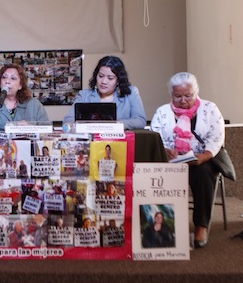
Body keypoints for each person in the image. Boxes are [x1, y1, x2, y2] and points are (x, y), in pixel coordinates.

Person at [150, 72, 225, 249]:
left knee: (205, 173)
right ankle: (166, 226)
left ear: (195, 93)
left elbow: (217, 138)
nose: (183, 100)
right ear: (171, 94)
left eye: (187, 96)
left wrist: (204, 156)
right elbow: (155, 137)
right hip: (171, 162)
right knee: (154, 173)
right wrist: (164, 151)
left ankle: (201, 226)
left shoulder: (210, 109)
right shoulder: (162, 112)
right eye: (178, 96)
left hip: (200, 160)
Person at [63, 56, 146, 130]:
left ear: (118, 80)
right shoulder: (84, 95)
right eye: (101, 76)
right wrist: (72, 126)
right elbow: (68, 119)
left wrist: (115, 125)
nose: (103, 81)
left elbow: (140, 121)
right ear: (96, 76)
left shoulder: (131, 93)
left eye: (110, 78)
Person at [0, 63, 49, 131]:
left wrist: (31, 129)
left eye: (13, 78)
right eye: (4, 77)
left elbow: (48, 132)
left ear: (20, 85)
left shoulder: (34, 105)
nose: (7, 81)